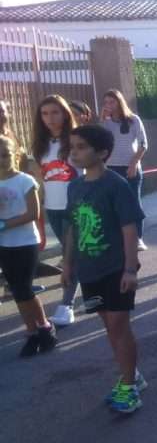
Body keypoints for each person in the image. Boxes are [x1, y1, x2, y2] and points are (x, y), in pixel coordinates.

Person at [64, 125, 145, 412]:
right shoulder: (74, 186)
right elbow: (72, 227)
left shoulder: (116, 185)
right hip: (89, 271)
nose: (74, 152)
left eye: (82, 146)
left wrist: (130, 269)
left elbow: (128, 228)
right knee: (109, 327)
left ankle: (129, 386)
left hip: (115, 269)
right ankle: (131, 374)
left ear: (102, 153)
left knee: (118, 326)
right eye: (72, 146)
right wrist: (67, 263)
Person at [0, 135, 57, 358]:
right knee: (16, 290)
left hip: (25, 243)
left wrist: (4, 224)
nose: (1, 160)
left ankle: (44, 326)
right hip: (4, 245)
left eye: (5, 155)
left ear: (14, 155)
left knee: (24, 288)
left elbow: (33, 214)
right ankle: (32, 332)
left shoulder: (25, 181)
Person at [30, 95, 79, 326]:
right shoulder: (41, 144)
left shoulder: (77, 139)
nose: (50, 118)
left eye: (55, 112)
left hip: (75, 208)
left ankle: (66, 305)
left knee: (70, 257)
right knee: (74, 254)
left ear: (65, 113)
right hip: (53, 207)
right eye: (45, 113)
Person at [99, 89, 148, 250]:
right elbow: (99, 142)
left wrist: (133, 164)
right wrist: (101, 119)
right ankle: (118, 238)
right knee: (113, 205)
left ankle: (138, 238)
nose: (108, 105)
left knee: (133, 203)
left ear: (119, 102)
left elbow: (143, 144)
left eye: (112, 102)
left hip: (130, 168)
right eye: (106, 102)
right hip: (111, 168)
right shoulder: (106, 122)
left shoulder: (133, 120)